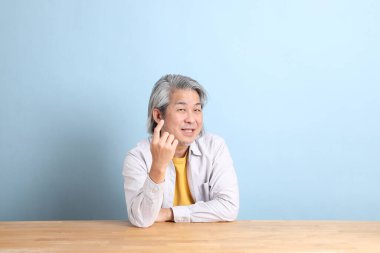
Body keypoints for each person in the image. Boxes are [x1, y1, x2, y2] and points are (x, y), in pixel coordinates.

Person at [123, 74, 239, 228]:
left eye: (197, 109)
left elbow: (229, 207)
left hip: (205, 242)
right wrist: (158, 166)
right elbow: (141, 219)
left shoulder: (215, 147)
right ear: (158, 115)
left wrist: (169, 213)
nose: (191, 119)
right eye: (181, 109)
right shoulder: (138, 157)